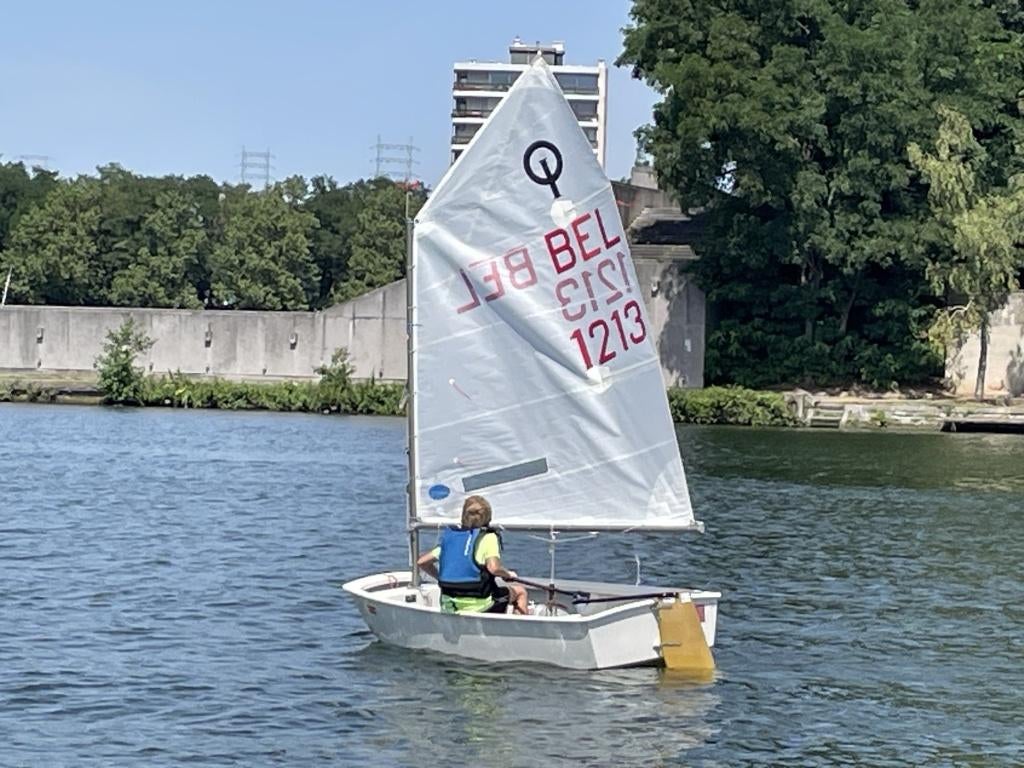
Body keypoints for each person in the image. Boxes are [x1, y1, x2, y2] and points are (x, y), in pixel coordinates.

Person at [417, 495, 529, 615]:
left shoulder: (453, 540)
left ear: (463, 516)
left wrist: (440, 577)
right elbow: (494, 568)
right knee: (520, 592)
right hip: (481, 605)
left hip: (449, 606)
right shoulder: (488, 538)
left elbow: (422, 562)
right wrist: (508, 574)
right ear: (488, 517)